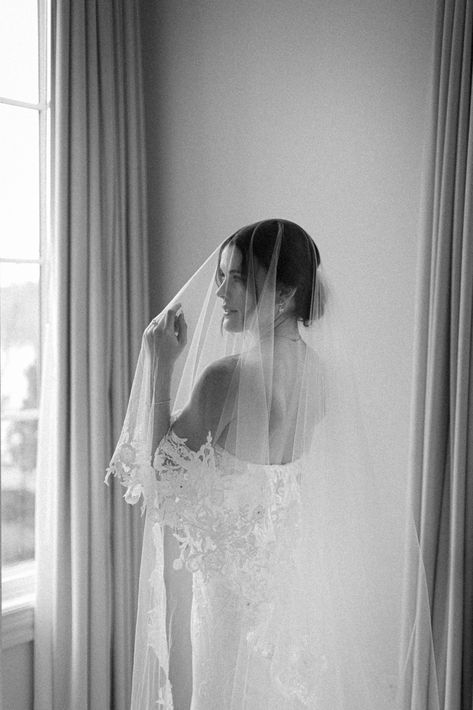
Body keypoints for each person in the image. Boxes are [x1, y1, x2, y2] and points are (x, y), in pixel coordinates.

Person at [106, 219, 438, 709]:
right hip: (288, 614)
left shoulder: (226, 379)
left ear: (283, 293)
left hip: (230, 619)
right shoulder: (319, 375)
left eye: (236, 278)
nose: (219, 291)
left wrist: (160, 367)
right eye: (221, 276)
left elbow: (158, 480)